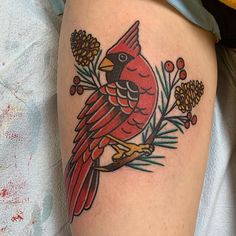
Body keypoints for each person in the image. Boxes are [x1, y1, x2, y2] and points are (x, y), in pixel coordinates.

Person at [57, 0, 219, 235]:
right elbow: (103, 129)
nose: (108, 63)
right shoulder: (127, 84)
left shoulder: (136, 87)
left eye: (119, 59)